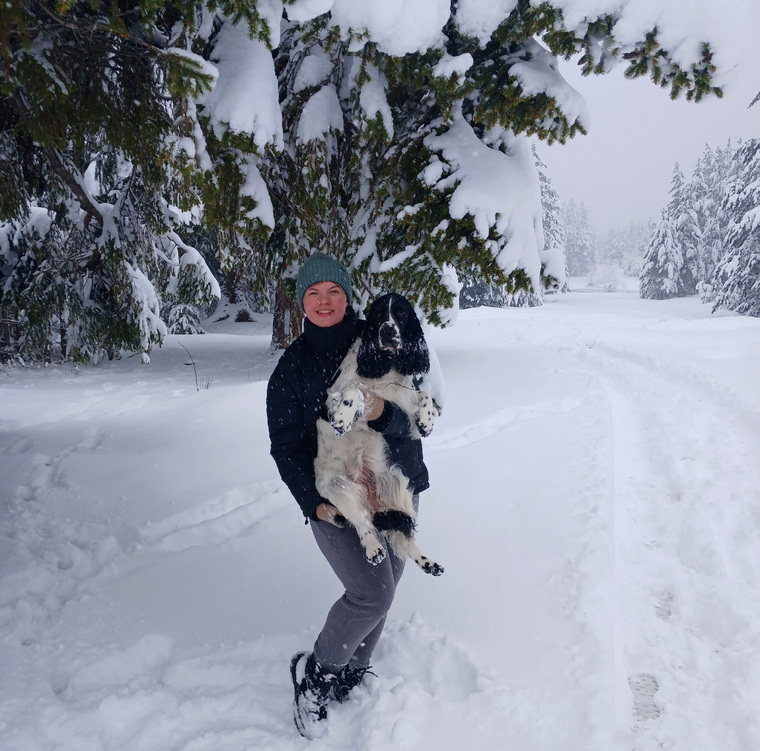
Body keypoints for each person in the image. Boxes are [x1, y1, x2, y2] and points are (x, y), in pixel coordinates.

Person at [266, 253, 430, 737]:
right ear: (301, 303)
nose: (324, 301)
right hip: (337, 496)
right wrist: (311, 502)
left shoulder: (380, 332)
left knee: (386, 589)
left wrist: (380, 411)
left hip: (395, 481)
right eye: (313, 294)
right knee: (372, 591)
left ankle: (351, 671)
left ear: (346, 296)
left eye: (333, 291)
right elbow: (286, 446)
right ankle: (317, 676)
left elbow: (416, 416)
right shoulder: (291, 370)